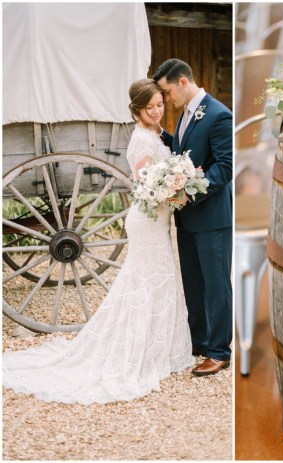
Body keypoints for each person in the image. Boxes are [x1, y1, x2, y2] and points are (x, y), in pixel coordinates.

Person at [2, 79, 195, 404]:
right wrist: (177, 190)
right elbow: (150, 187)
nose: (158, 111)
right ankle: (138, 351)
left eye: (161, 104)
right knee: (147, 281)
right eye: (151, 108)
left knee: (155, 280)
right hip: (147, 223)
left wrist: (180, 178)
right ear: (136, 111)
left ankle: (158, 348)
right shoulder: (140, 141)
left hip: (154, 222)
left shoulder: (156, 135)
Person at [153, 59, 233, 376]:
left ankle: (219, 351)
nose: (166, 99)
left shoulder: (218, 115)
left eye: (167, 92)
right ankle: (199, 343)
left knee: (216, 286)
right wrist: (161, 135)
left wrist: (188, 191)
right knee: (194, 284)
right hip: (186, 220)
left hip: (212, 218)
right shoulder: (187, 115)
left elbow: (224, 168)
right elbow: (186, 155)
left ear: (183, 83)